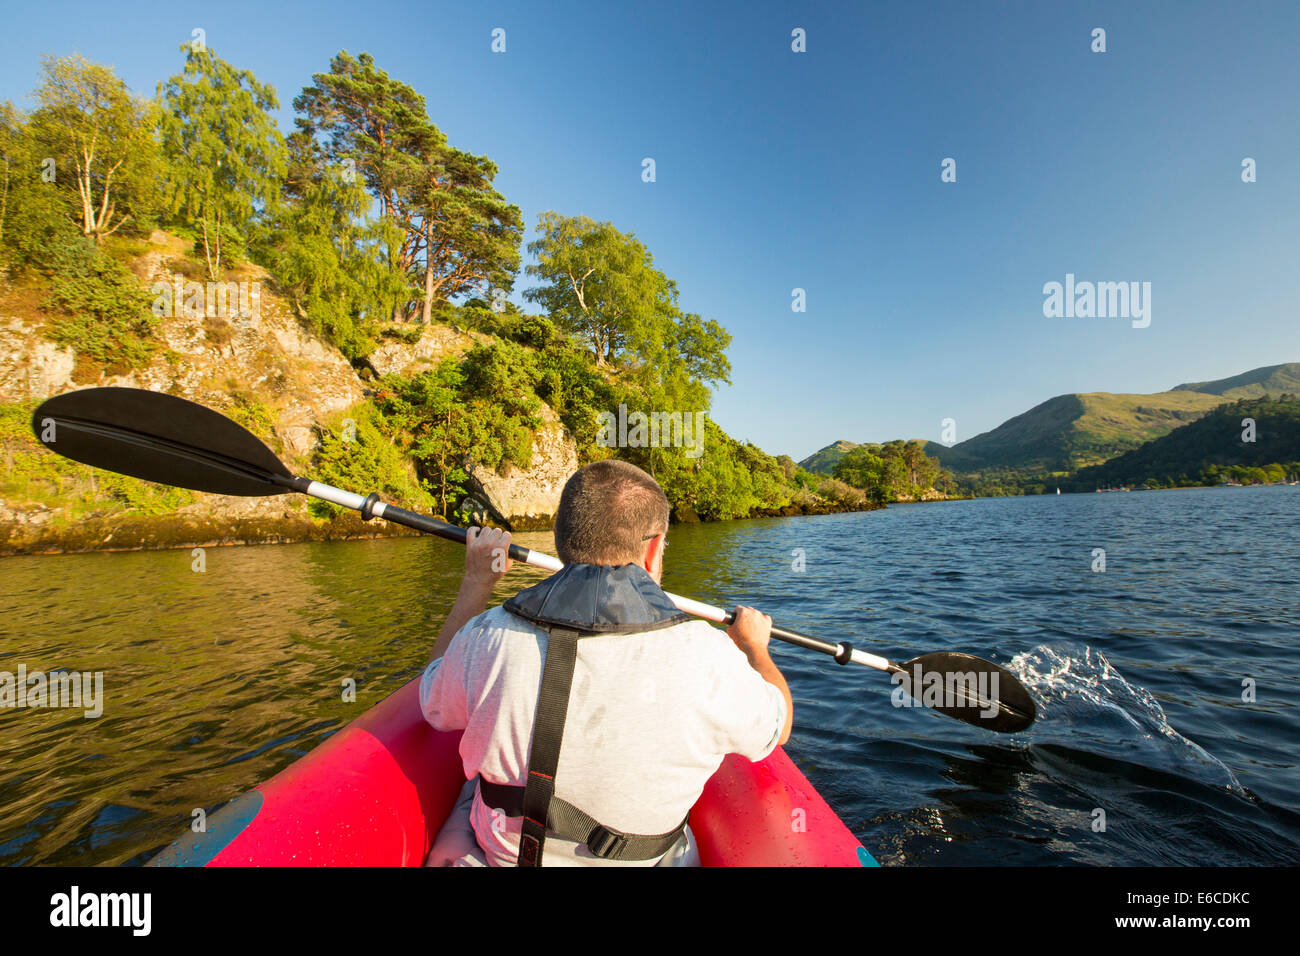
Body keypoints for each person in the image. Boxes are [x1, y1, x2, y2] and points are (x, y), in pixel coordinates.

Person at [419, 459, 793, 867]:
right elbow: (780, 725)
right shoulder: (709, 654)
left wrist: (477, 582)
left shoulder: (486, 635)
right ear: (653, 549)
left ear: (562, 540)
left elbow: (433, 704)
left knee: (468, 792)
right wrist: (755, 647)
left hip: (504, 858)